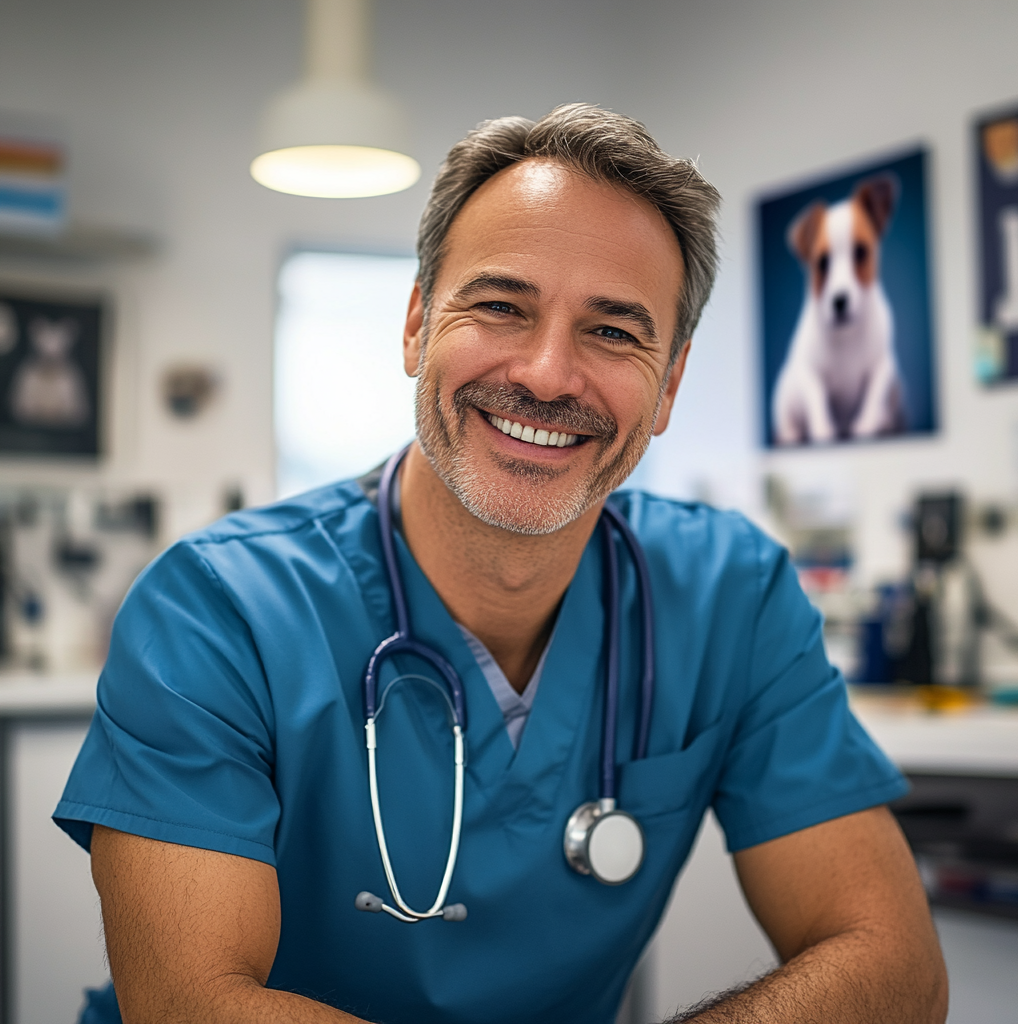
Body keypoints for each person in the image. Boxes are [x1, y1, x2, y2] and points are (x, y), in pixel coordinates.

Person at [56, 104, 946, 1024]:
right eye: (500, 306)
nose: (550, 374)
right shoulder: (216, 609)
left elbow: (898, 969)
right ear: (415, 327)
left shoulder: (731, 597)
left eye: (613, 331)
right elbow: (188, 1004)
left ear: (670, 383)